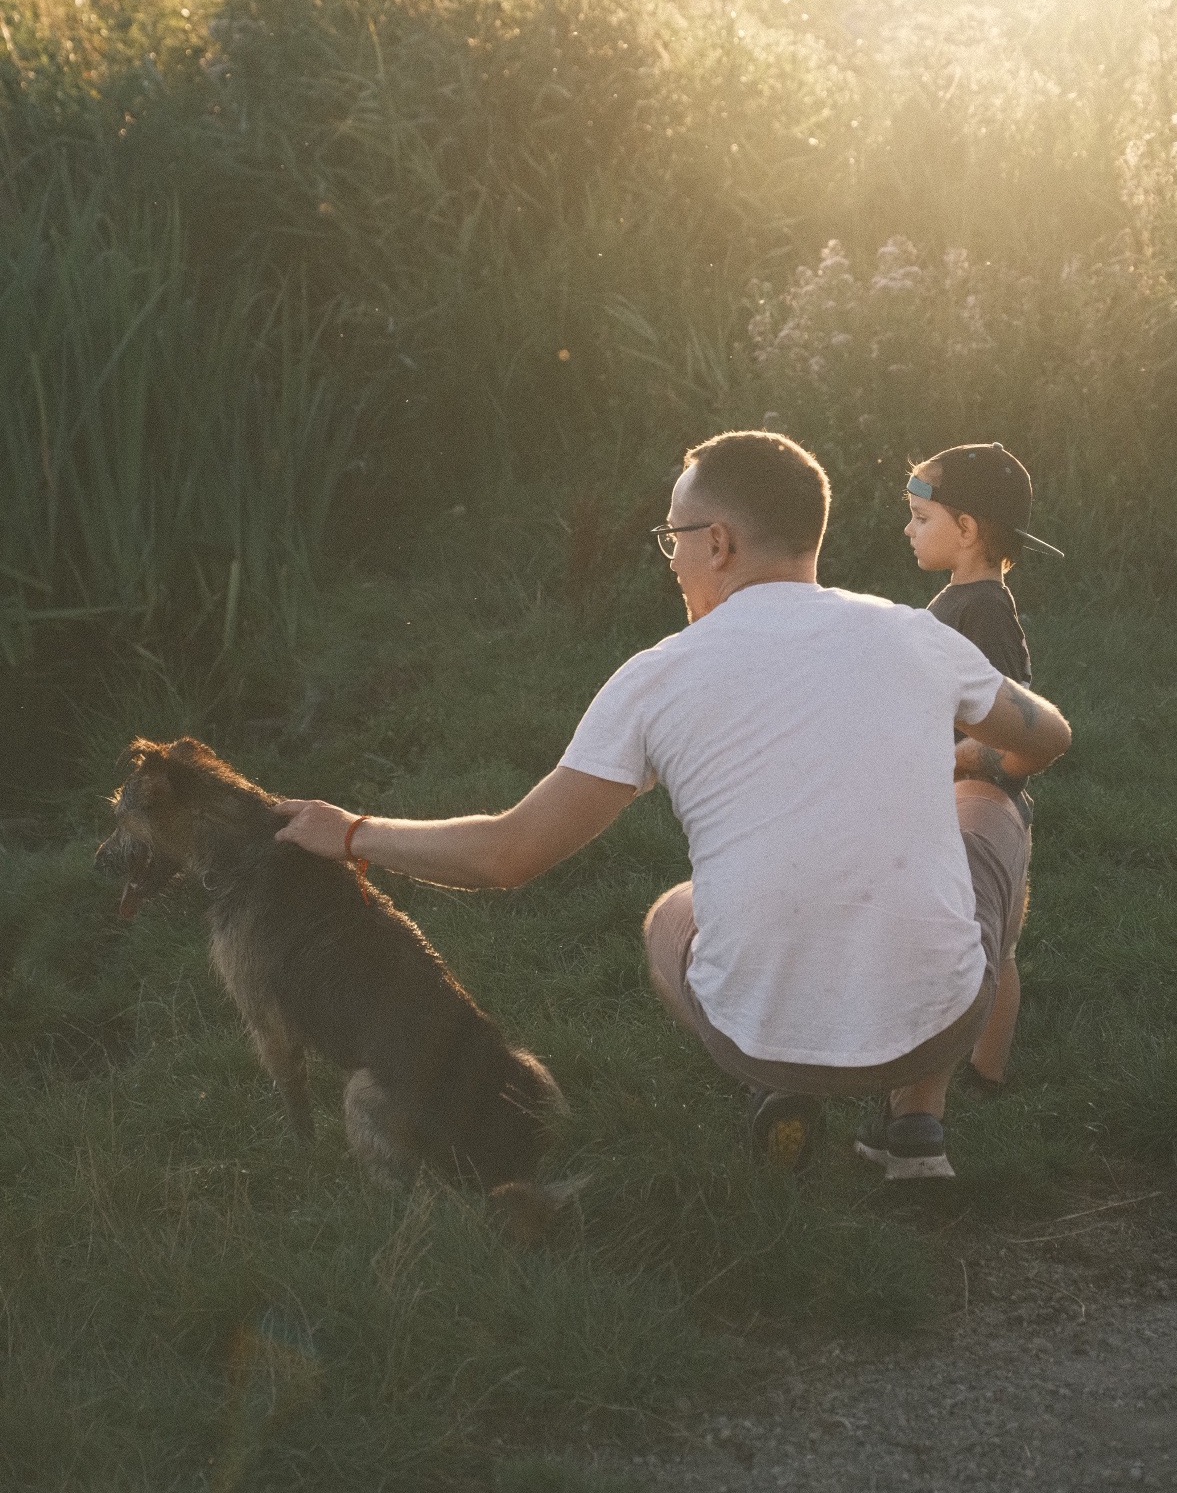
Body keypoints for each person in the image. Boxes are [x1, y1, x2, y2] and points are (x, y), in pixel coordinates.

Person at [275, 430, 1071, 1182]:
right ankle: (915, 1125)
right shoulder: (913, 635)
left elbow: (507, 853)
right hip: (937, 1022)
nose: (673, 558)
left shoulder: (654, 678)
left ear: (718, 541)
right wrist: (975, 768)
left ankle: (780, 1084)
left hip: (755, 1041)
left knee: (670, 916)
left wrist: (353, 833)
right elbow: (1052, 734)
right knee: (990, 812)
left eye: (675, 537)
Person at [902, 442, 1064, 1098]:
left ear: (965, 529)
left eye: (920, 518)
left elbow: (1012, 711)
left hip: (981, 806)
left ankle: (983, 1075)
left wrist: (958, 757)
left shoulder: (985, 608)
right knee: (984, 940)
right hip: (954, 798)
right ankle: (972, 1070)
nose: (909, 530)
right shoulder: (958, 599)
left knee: (989, 945)